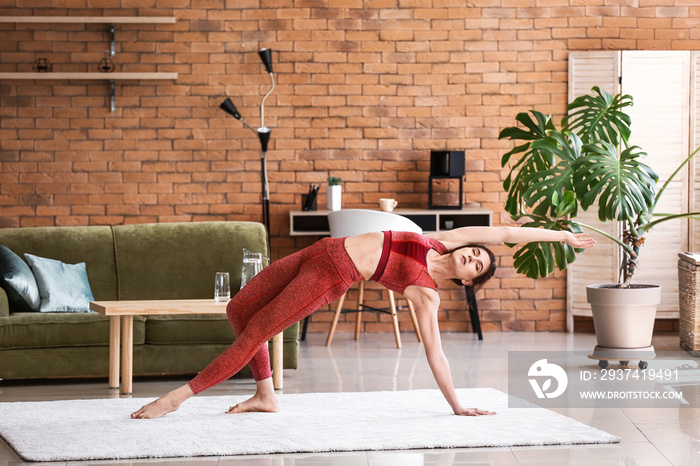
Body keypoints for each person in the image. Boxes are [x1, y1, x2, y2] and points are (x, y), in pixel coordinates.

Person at [131, 226, 594, 419]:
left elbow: (435, 352)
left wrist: (456, 405)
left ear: (468, 283)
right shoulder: (438, 242)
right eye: (475, 252)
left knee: (257, 332)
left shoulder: (425, 293)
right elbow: (507, 233)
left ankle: (175, 399)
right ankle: (266, 394)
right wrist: (560, 236)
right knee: (238, 309)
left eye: (477, 265)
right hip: (319, 249)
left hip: (330, 275)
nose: (473, 255)